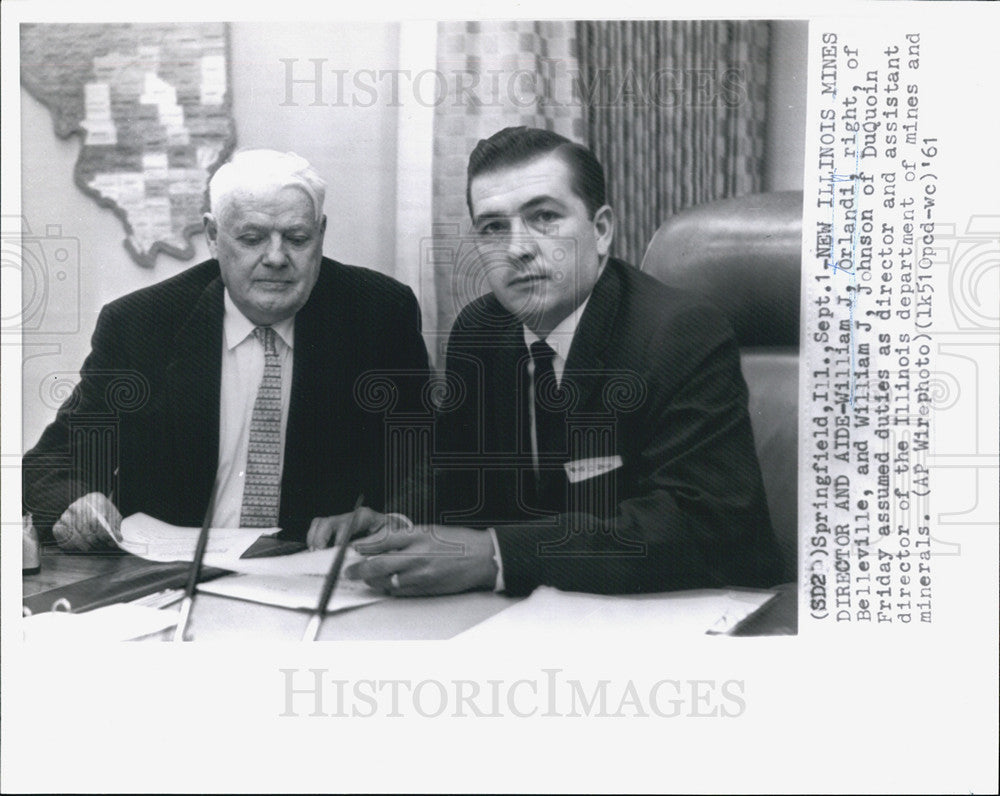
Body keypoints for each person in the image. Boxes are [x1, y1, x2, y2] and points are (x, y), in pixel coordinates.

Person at [309, 126, 784, 596]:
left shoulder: (679, 332)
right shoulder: (480, 329)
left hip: (686, 611)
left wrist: (495, 555)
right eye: (494, 228)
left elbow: (707, 525)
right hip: (539, 612)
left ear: (601, 231)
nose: (517, 248)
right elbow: (453, 467)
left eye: (544, 218)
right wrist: (396, 521)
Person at [22, 149, 429, 549]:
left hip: (315, 574)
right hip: (167, 579)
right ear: (214, 237)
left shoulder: (379, 315)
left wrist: (393, 517)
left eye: (297, 238)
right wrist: (75, 503)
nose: (276, 257)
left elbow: (427, 459)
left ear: (321, 235)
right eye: (252, 238)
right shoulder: (141, 325)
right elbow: (54, 462)